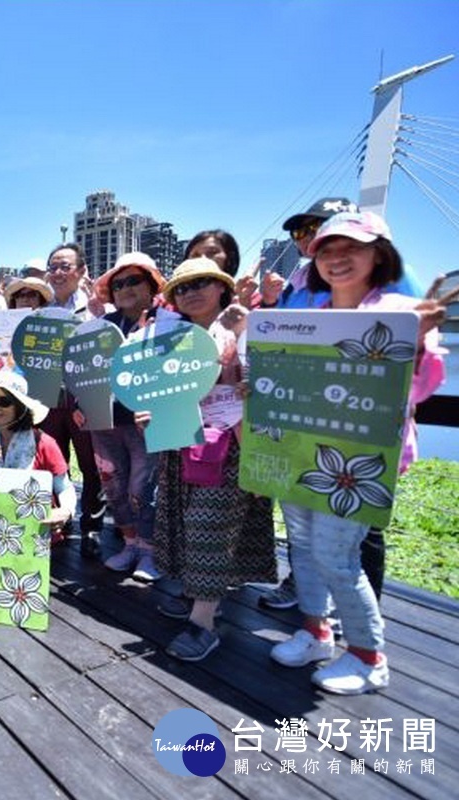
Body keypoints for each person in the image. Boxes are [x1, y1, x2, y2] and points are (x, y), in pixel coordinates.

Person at [268, 211, 448, 694]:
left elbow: (424, 387)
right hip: (303, 449)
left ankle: (369, 655)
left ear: (379, 255)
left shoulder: (403, 310)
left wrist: (417, 344)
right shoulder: (312, 315)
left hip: (357, 460)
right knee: (301, 545)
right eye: (327, 249)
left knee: (337, 554)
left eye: (352, 247)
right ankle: (315, 630)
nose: (337, 258)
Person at [152, 257, 276, 662]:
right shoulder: (169, 338)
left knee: (210, 522)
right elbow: (155, 389)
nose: (191, 292)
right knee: (184, 518)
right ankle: (200, 597)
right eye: (182, 288)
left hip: (230, 442)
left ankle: (202, 622)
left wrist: (247, 380)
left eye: (202, 283)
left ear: (222, 287)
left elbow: (272, 382)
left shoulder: (243, 326)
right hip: (180, 438)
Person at [85, 252, 165, 582]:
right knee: (114, 484)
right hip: (105, 418)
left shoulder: (169, 321)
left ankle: (149, 551)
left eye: (134, 280)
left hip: (146, 421)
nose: (125, 288)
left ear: (151, 285)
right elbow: (85, 371)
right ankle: (130, 543)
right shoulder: (104, 326)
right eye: (118, 283)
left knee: (143, 487)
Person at [39, 243, 106, 558]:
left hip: (86, 400)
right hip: (49, 399)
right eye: (53, 267)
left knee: (92, 466)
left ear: (81, 271)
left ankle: (92, 527)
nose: (58, 273)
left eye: (65, 266)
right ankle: (55, 523)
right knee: (53, 464)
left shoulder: (94, 309)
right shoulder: (42, 312)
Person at [0, 370, 76, 525]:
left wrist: (66, 511)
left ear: (20, 407)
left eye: (4, 401)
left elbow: (64, 487)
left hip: (34, 535)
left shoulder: (44, 444)